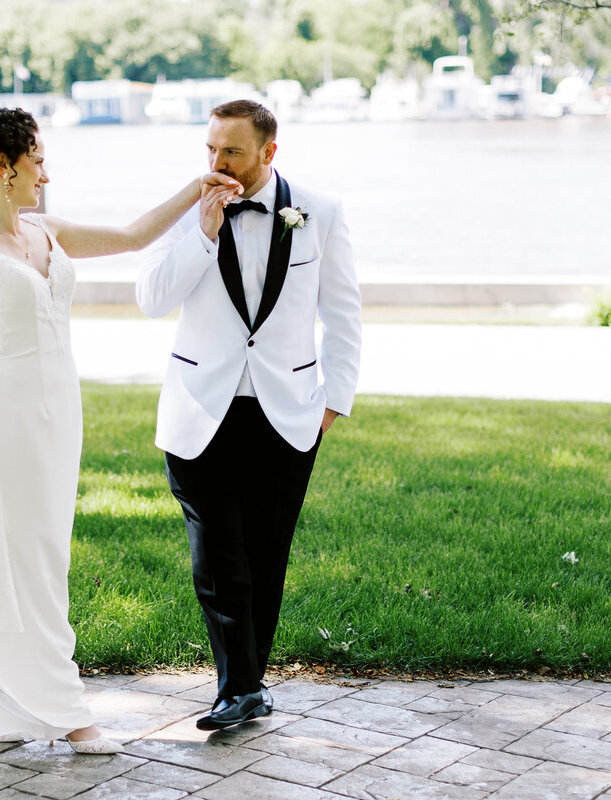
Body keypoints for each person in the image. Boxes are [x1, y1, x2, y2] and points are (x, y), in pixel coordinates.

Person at [0, 108, 241, 755]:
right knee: (29, 561)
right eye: (38, 158)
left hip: (61, 412)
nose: (47, 170)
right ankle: (69, 712)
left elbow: (132, 236)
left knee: (46, 555)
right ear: (3, 165)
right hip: (10, 415)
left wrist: (198, 189)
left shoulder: (46, 229)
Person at [136, 100, 363, 731]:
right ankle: (239, 687)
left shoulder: (322, 212)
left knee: (266, 554)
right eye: (210, 149)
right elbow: (150, 297)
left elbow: (343, 316)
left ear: (268, 152)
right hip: (199, 408)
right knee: (216, 557)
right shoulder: (192, 210)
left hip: (286, 413)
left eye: (231, 152)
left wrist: (332, 403)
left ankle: (247, 684)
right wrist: (203, 233)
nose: (217, 164)